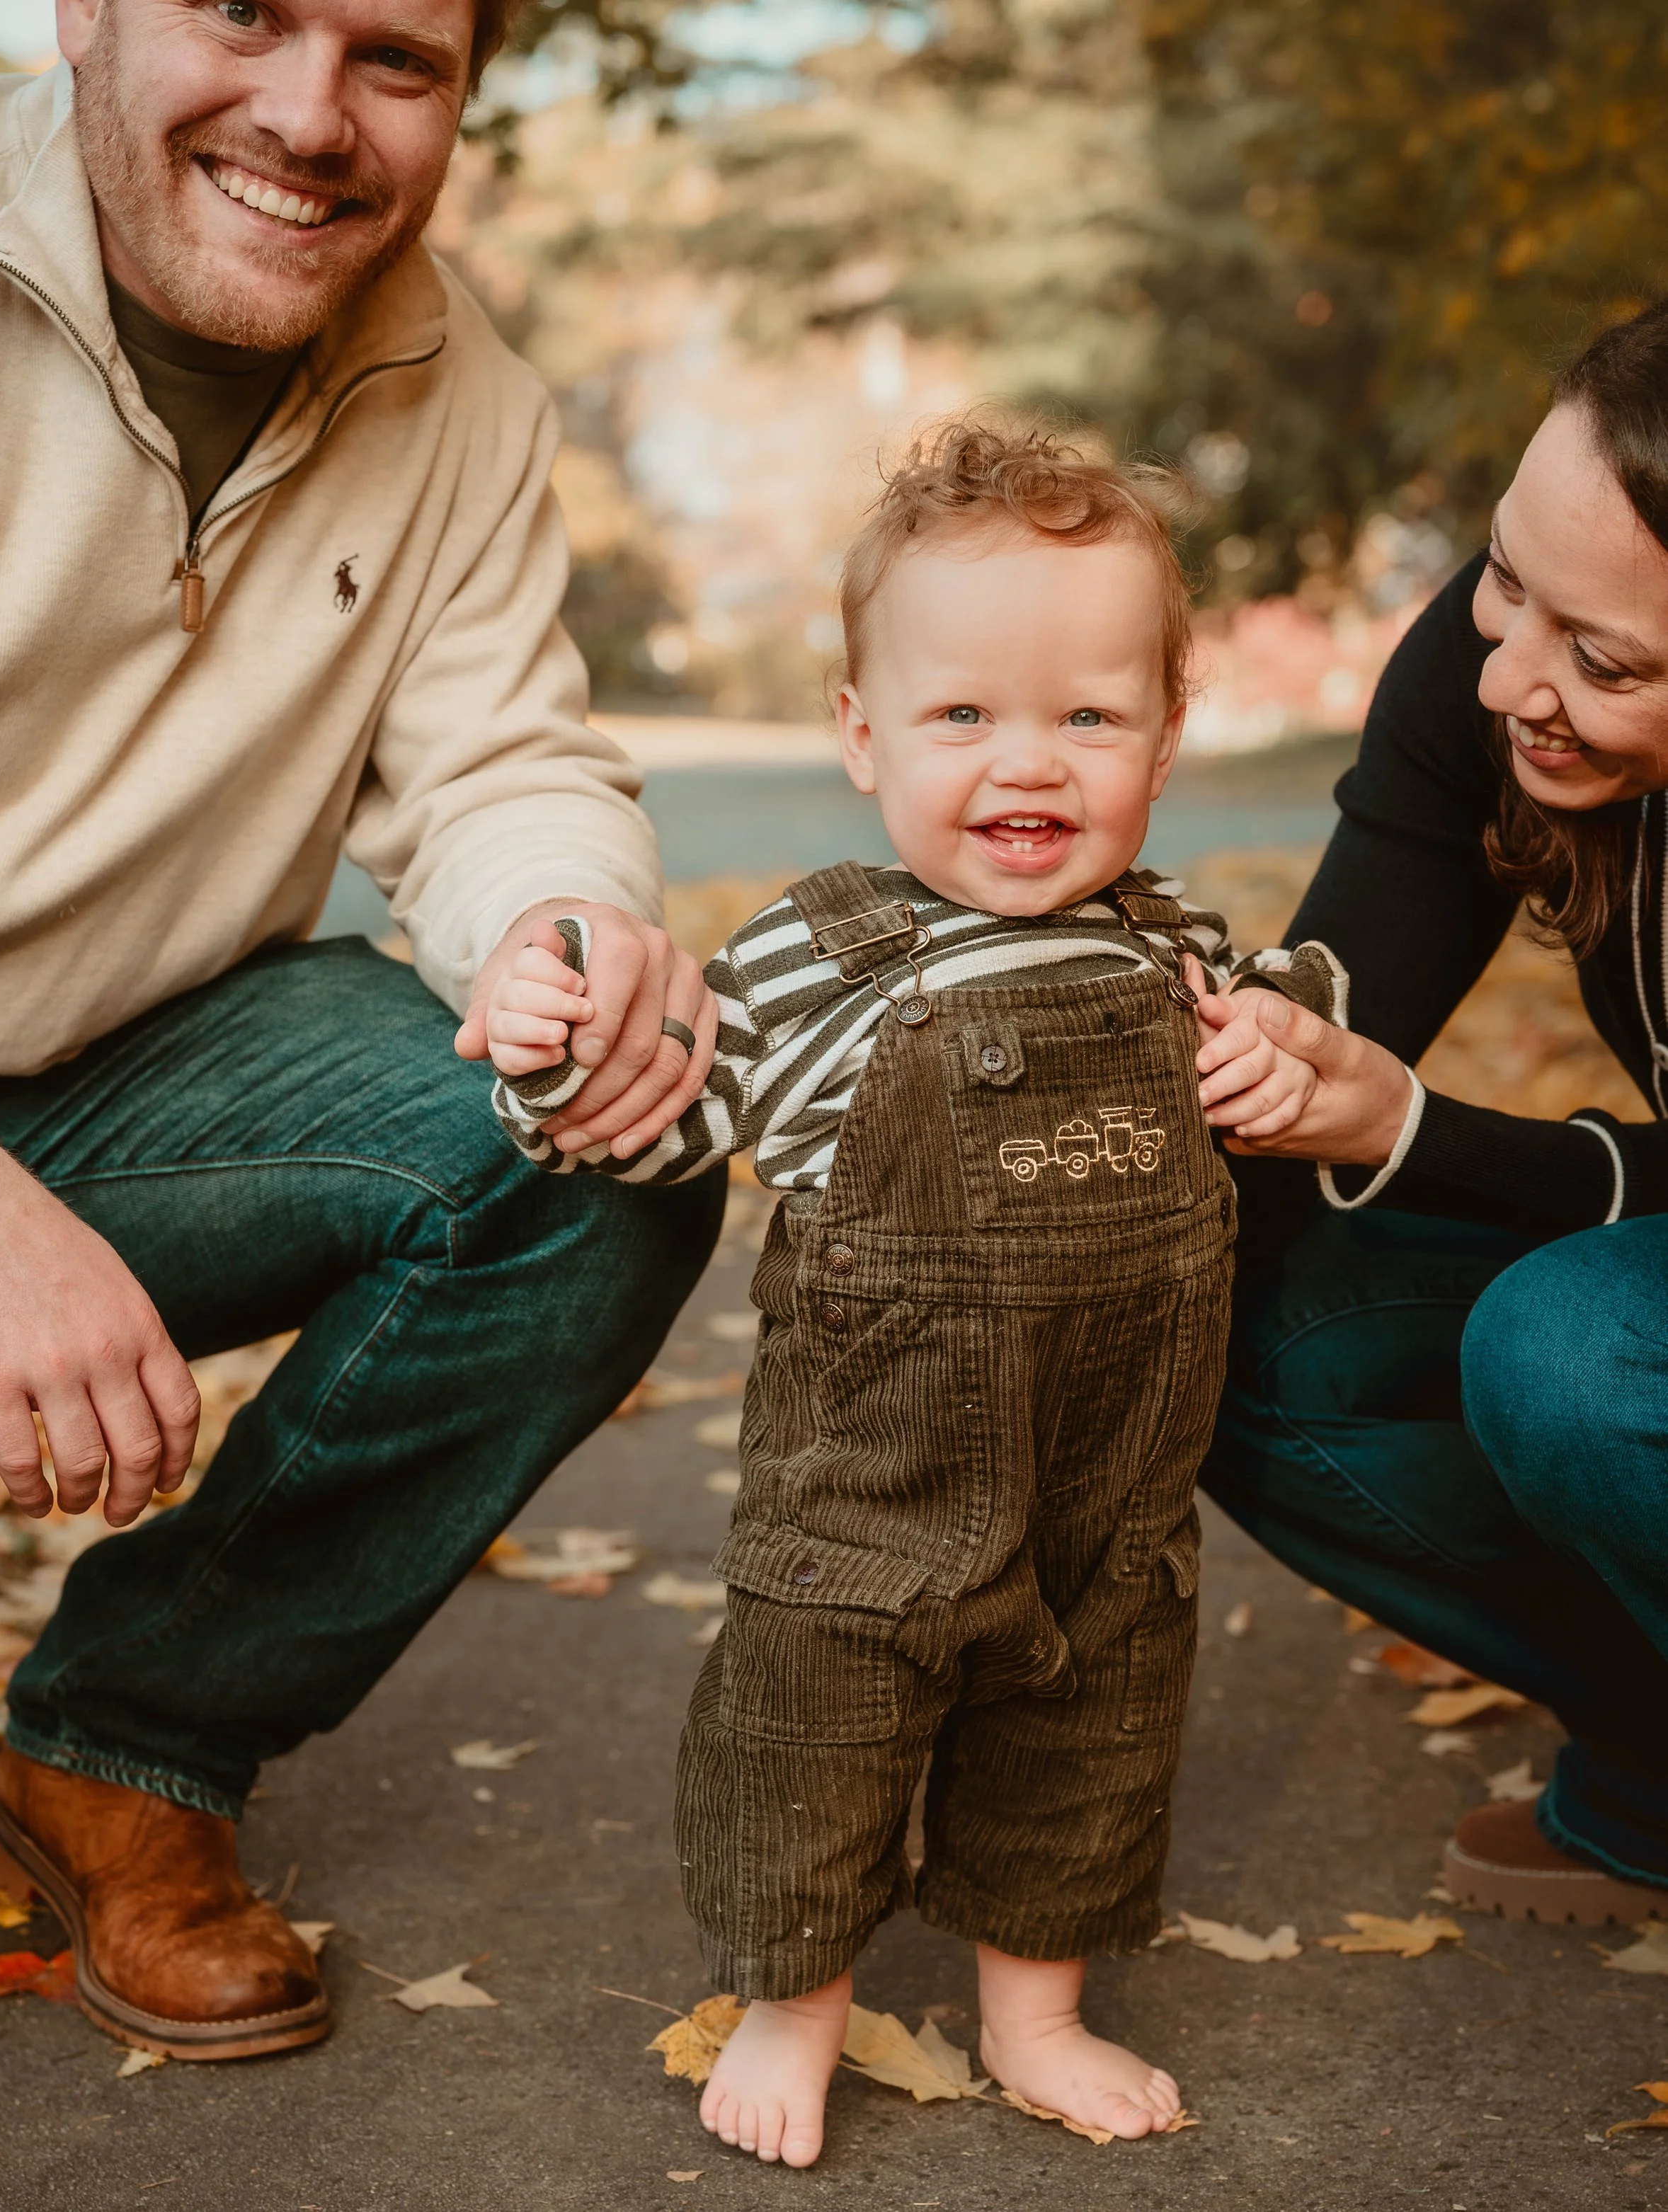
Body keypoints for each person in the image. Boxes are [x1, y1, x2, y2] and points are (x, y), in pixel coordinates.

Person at [0, 0, 724, 2061]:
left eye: (395, 56)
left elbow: (501, 762)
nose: (308, 116)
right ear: (86, 10)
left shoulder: (460, 392)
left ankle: (126, 1747)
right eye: (247, 14)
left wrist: (564, 936)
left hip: (131, 1083)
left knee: (594, 1148)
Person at [489, 418, 1346, 2167]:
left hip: (1107, 1477)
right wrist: (552, 1061)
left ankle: (1035, 2006)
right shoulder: (819, 952)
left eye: (1086, 716)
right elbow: (667, 1123)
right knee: (816, 1723)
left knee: (1089, 1717)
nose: (1024, 763)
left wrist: (1281, 1051)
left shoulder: (1177, 947)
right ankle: (791, 2001)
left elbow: (1303, 1029)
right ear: (861, 734)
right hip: (867, 1491)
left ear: (1166, 741)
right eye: (961, 715)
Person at [1192, 300, 1668, 1928]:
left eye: (1601, 661)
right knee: (1219, 1316)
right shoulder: (1490, 676)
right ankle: (1654, 1762)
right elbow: (1334, 984)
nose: (1507, 677)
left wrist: (1411, 1135)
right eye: (1501, 579)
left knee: (1578, 1348)